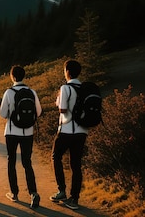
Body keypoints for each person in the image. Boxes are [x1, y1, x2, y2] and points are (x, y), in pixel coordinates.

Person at [0, 65, 42, 209]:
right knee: (27, 162)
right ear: (24, 76)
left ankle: (14, 193)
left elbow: (3, 114)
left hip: (11, 132)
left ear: (12, 76)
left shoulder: (9, 92)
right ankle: (33, 193)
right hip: (28, 132)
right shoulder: (32, 92)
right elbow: (39, 112)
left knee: (11, 161)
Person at [50, 60, 87, 210]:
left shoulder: (65, 88)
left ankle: (61, 191)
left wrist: (59, 101)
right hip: (82, 131)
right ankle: (74, 199)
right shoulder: (84, 88)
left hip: (66, 130)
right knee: (76, 165)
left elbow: (63, 109)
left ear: (67, 71)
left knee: (55, 156)